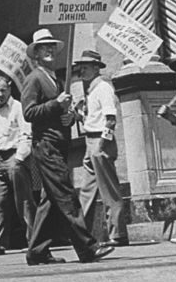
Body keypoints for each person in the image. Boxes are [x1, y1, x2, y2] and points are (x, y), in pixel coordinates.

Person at [21, 28, 112, 265]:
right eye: (44, 48)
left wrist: (69, 117)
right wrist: (55, 104)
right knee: (66, 196)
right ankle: (87, 247)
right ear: (36, 54)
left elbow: (61, 112)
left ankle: (37, 251)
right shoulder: (34, 79)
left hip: (58, 145)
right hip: (45, 146)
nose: (50, 50)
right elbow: (29, 113)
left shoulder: (55, 79)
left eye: (52, 46)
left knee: (49, 201)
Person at [74, 49, 129, 247]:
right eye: (81, 67)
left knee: (108, 190)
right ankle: (82, 234)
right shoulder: (91, 90)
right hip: (90, 141)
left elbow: (110, 119)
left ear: (96, 68)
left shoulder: (104, 87)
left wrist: (102, 144)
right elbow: (93, 118)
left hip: (99, 141)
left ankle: (118, 234)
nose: (82, 71)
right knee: (87, 190)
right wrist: (80, 113)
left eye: (86, 67)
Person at [0, 73, 35, 254]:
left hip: (14, 158)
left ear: (9, 89)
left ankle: (34, 241)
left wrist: (19, 159)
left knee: (23, 202)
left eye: (3, 90)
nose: (0, 94)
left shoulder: (18, 107)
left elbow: (27, 134)